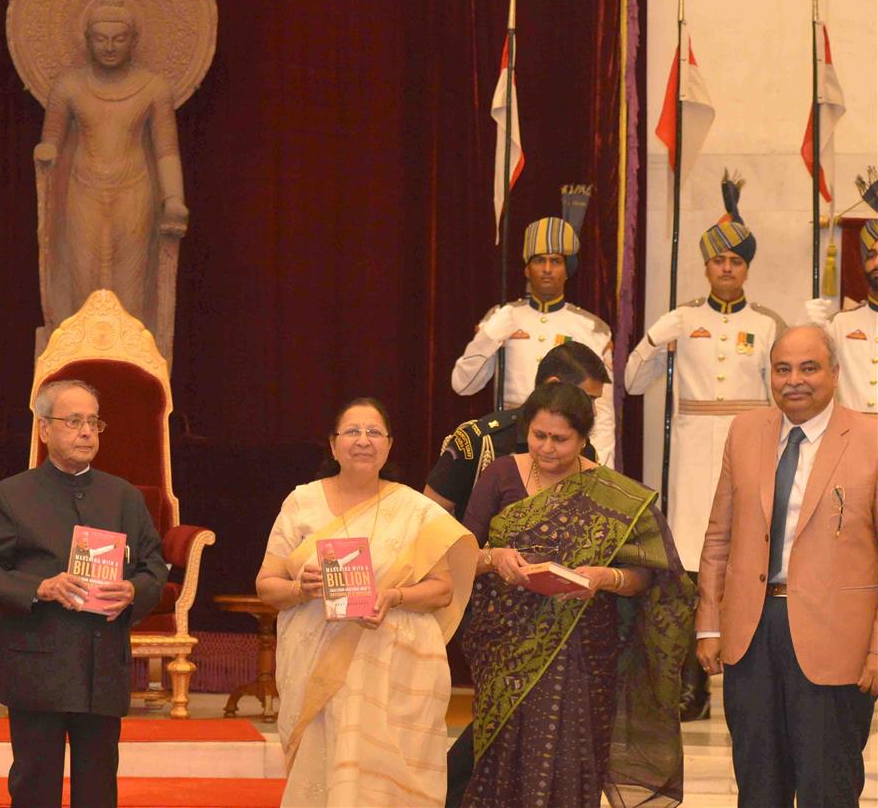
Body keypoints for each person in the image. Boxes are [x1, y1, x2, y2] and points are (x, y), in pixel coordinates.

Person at [460, 382, 693, 808]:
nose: (546, 448)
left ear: (584, 438)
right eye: (538, 436)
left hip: (582, 650)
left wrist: (606, 578)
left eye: (560, 439)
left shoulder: (614, 494)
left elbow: (653, 575)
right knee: (502, 759)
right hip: (505, 647)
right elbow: (459, 556)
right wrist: (495, 559)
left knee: (568, 759)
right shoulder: (500, 474)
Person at [256, 398, 477, 806]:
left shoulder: (414, 509)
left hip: (393, 670)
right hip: (317, 666)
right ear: (333, 443)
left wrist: (393, 596)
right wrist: (299, 589)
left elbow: (442, 590)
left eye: (374, 432)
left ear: (390, 445)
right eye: (352, 432)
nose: (363, 441)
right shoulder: (302, 502)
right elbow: (266, 585)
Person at [696, 325, 878, 806]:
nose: (794, 380)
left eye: (809, 368)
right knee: (757, 785)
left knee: (828, 785)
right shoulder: (745, 431)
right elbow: (720, 536)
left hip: (837, 641)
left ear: (835, 374)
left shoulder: (871, 437)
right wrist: (709, 625)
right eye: (783, 369)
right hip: (751, 634)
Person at [0, 379, 167, 807]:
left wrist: (133, 591)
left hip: (102, 666)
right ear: (44, 429)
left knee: (98, 790)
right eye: (74, 421)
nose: (86, 432)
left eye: (94, 422)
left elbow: (154, 567)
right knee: (34, 787)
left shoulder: (124, 497)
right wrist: (40, 586)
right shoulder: (10, 496)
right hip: (38, 666)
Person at [625, 182, 784, 719]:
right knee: (693, 567)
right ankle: (691, 682)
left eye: (735, 260)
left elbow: (781, 399)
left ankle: (746, 673)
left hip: (749, 444)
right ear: (706, 266)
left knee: (747, 559)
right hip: (694, 452)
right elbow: (629, 382)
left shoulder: (764, 326)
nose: (726, 268)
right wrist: (654, 339)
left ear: (746, 269)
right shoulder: (685, 318)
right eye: (717, 259)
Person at [35, 0, 188, 347]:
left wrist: (174, 198)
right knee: (83, 282)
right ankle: (77, 360)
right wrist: (47, 150)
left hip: (135, 191)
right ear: (86, 40)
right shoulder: (69, 86)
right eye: (101, 39)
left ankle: (130, 362)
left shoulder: (154, 88)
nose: (109, 47)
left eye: (119, 39)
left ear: (134, 40)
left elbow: (166, 150)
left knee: (131, 287)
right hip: (83, 191)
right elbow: (52, 135)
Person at [451, 217, 616, 465]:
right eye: (539, 260)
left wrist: (601, 467)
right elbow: (463, 385)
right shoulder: (502, 318)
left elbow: (602, 412)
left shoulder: (592, 328)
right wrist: (488, 338)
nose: (547, 268)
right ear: (527, 269)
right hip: (511, 441)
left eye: (556, 261)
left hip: (567, 445)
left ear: (567, 269)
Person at [426, 340, 608, 518]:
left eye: (560, 440)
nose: (593, 411)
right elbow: (427, 520)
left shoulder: (584, 449)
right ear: (552, 385)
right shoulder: (480, 441)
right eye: (587, 398)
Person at [805, 217, 878, 413]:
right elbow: (808, 369)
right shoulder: (840, 324)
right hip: (851, 436)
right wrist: (808, 328)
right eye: (870, 256)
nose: (876, 263)